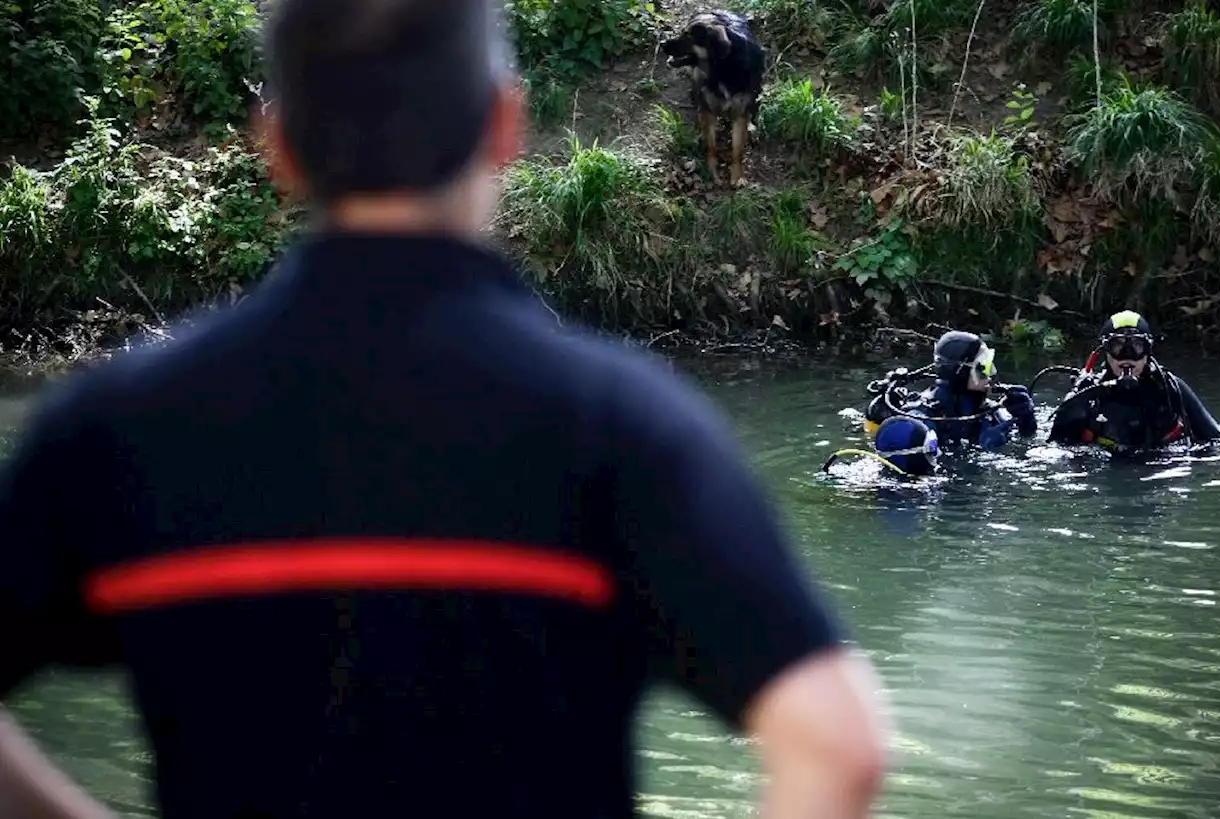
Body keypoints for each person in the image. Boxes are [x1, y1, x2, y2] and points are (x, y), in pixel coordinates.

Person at [0, 2, 890, 818]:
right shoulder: (627, 426)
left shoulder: (112, 427)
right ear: (505, 124)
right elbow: (838, 743)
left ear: (277, 146)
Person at [1047, 311, 1220, 453]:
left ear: (1148, 351)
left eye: (1137, 346)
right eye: (1118, 346)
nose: (1127, 355)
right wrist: (1067, 424)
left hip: (1162, 468)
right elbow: (1055, 450)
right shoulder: (1088, 394)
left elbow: (1216, 441)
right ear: (1106, 352)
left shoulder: (1170, 388)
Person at [864, 330, 1037, 453]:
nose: (991, 374)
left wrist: (1026, 422)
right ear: (959, 372)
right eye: (983, 367)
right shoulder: (921, 420)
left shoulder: (994, 415)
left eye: (990, 365)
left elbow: (1029, 449)